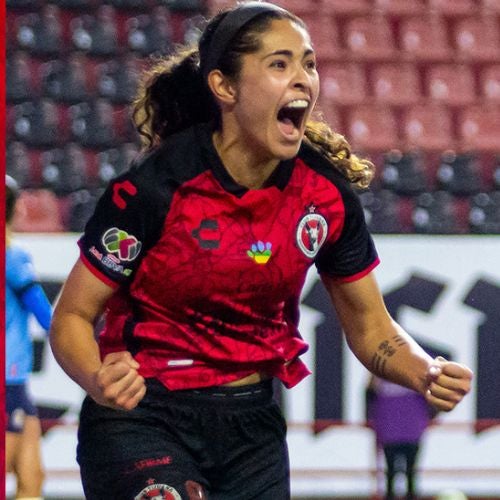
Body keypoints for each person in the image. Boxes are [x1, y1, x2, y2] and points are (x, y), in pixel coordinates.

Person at [49, 2, 473, 499]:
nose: (303, 79)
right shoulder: (156, 189)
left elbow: (371, 327)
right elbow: (72, 317)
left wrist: (425, 370)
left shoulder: (325, 198)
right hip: (144, 417)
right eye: (279, 64)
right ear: (224, 87)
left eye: (308, 63)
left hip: (253, 426)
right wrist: (99, 377)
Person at [5, 175, 53, 500]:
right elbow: (45, 314)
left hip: (15, 380)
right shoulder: (13, 257)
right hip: (8, 378)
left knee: (32, 477)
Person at [366, 374, 437, 500]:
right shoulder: (381, 377)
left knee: (407, 472)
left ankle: (404, 496)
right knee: (396, 472)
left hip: (404, 431)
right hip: (395, 431)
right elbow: (370, 393)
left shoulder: (414, 377)